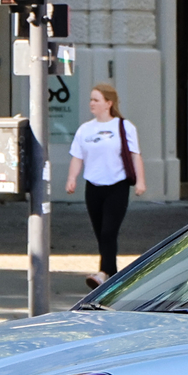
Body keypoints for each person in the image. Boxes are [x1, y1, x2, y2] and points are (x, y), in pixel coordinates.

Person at [66, 83, 147, 287]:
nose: (91, 103)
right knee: (100, 231)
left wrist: (140, 181)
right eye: (91, 99)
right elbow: (77, 157)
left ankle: (103, 273)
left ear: (108, 103)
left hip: (116, 185)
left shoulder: (123, 126)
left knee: (109, 231)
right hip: (93, 186)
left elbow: (135, 155)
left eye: (96, 100)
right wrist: (72, 178)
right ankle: (114, 276)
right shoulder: (85, 129)